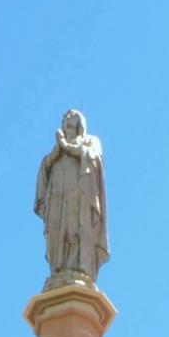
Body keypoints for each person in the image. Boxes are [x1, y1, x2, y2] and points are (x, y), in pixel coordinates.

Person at [34, 110, 109, 284]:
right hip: (58, 197)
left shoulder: (90, 141)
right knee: (56, 228)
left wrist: (68, 148)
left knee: (75, 228)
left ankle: (78, 267)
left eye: (72, 115)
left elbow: (95, 157)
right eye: (66, 116)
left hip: (80, 195)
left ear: (80, 122)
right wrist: (55, 154)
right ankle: (58, 269)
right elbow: (45, 169)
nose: (68, 116)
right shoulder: (56, 151)